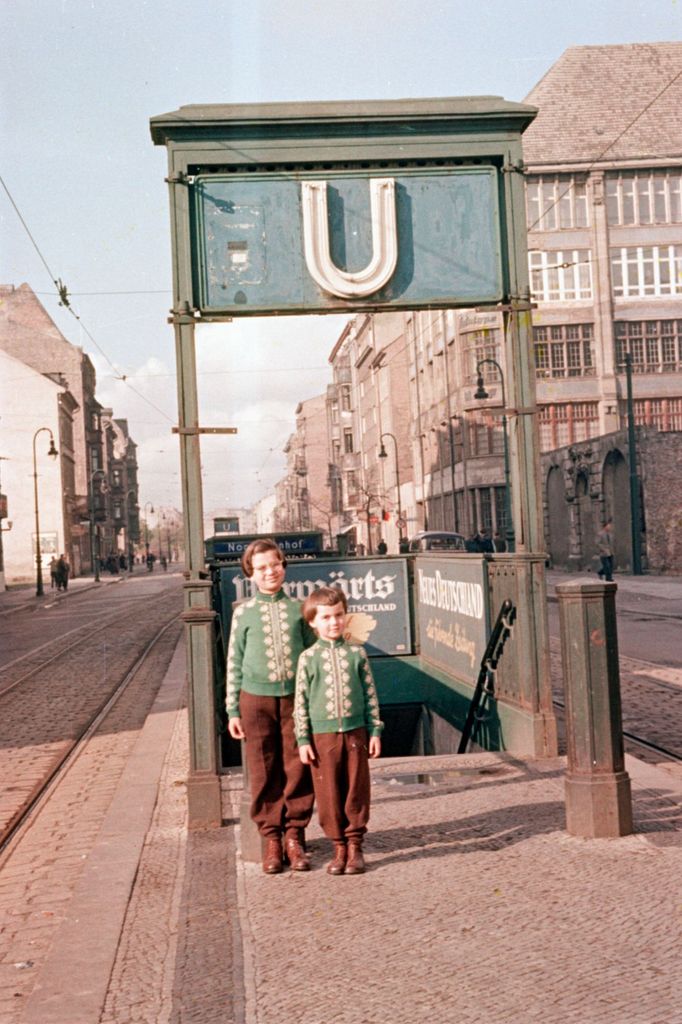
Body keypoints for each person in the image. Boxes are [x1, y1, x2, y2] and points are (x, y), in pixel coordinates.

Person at [226, 539, 316, 875]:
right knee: (263, 770)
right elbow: (233, 662)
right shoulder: (243, 614)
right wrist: (233, 710)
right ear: (251, 574)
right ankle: (272, 840)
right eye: (262, 568)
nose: (270, 572)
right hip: (255, 701)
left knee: (297, 766)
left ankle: (295, 836)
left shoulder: (298, 610)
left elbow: (310, 658)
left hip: (294, 701)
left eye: (275, 565)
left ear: (284, 567)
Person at [294, 586, 383, 876]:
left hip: (355, 733)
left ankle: (355, 845)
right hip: (323, 738)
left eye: (339, 615)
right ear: (312, 622)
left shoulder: (357, 654)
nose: (334, 622)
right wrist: (303, 739)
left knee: (356, 788)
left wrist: (374, 731)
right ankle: (338, 846)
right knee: (329, 791)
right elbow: (301, 702)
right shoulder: (308, 658)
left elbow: (370, 694)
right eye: (326, 617)